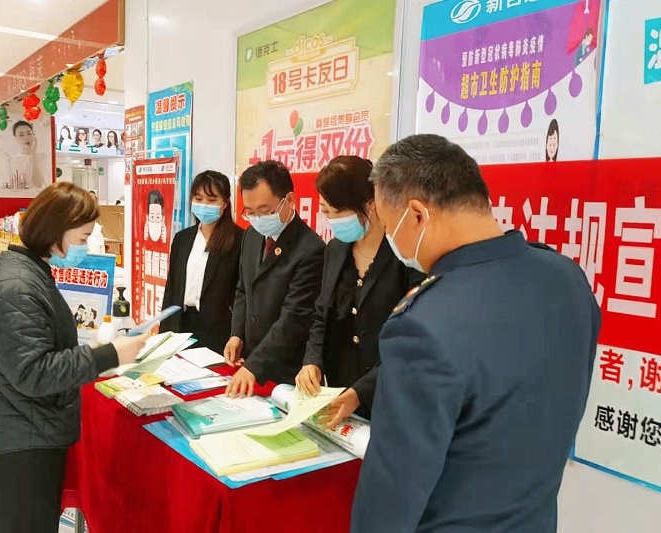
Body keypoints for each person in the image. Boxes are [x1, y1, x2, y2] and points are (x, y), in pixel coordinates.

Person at [350, 135, 601, 533]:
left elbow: (393, 491)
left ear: (416, 215)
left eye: (387, 225)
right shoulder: (566, 279)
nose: (390, 240)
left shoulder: (422, 326)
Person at [0, 182, 150, 533]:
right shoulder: (17, 288)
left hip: (23, 438)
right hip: (17, 453)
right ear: (54, 231)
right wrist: (110, 354)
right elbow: (33, 372)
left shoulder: (28, 273)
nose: (85, 247)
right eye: (82, 238)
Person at [295, 156, 424, 426]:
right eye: (326, 211)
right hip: (339, 393)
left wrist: (361, 392)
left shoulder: (405, 255)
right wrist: (311, 361)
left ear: (371, 204)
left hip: (390, 397)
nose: (332, 220)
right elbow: (321, 315)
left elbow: (410, 340)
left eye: (339, 212)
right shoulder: (335, 250)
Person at [224, 160, 325, 396]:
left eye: (265, 211)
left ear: (289, 200)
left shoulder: (310, 249)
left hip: (285, 371)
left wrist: (254, 366)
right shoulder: (252, 235)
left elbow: (293, 318)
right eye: (250, 212)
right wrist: (237, 333)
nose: (258, 219)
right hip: (250, 362)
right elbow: (243, 289)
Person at [160, 171, 245, 354]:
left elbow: (243, 294)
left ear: (225, 203)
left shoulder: (240, 240)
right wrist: (163, 335)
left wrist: (237, 335)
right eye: (199, 199)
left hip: (219, 332)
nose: (204, 204)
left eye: (212, 200)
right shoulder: (182, 238)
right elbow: (172, 288)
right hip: (181, 325)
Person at [7, 120, 46, 191]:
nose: (26, 138)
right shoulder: (13, 160)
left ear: (33, 135)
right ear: (15, 138)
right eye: (21, 135)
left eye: (29, 133)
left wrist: (33, 154)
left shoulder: (42, 157)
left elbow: (39, 184)